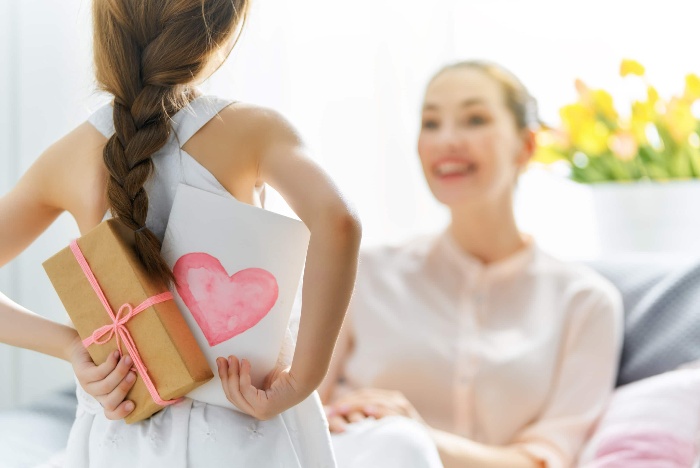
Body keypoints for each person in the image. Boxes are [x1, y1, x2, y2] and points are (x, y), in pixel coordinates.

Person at [0, 1, 361, 467]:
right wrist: (303, 379)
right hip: (242, 419)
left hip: (122, 424)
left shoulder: (68, 156)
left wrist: (73, 346)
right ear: (223, 27)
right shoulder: (251, 131)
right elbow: (340, 222)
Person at [320, 60, 624, 468]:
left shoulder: (585, 303)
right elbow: (296, 415)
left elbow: (545, 461)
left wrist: (420, 439)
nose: (446, 140)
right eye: (430, 123)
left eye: (474, 119)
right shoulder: (362, 274)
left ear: (526, 145)